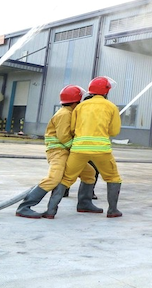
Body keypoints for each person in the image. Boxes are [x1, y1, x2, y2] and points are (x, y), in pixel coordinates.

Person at [15, 85, 101, 218]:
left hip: (67, 151)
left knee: (90, 173)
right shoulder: (64, 114)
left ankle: (84, 203)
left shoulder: (70, 113)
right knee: (53, 179)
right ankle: (25, 207)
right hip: (58, 151)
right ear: (76, 101)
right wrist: (78, 151)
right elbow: (64, 137)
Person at [44, 76, 123, 218]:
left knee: (66, 178)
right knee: (113, 177)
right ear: (106, 91)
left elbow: (73, 128)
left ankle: (51, 211)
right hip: (101, 150)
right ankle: (112, 210)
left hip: (78, 149)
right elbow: (114, 131)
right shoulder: (111, 107)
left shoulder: (79, 107)